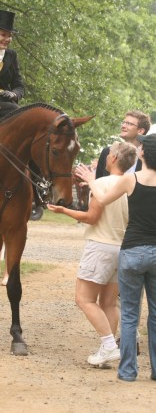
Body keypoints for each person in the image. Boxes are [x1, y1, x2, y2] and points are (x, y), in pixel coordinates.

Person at [48, 141, 137, 366]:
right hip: (122, 248)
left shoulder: (102, 184)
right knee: (108, 303)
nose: (106, 157)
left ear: (115, 158)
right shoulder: (132, 184)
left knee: (84, 299)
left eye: (108, 154)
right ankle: (106, 353)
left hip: (100, 245)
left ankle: (109, 345)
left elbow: (92, 218)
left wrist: (64, 210)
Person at [75, 134, 156, 381]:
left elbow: (103, 198)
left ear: (142, 154)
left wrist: (91, 179)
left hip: (131, 251)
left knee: (130, 315)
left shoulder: (130, 180)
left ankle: (128, 371)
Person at [96, 110, 150, 179]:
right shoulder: (107, 152)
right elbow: (99, 180)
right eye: (123, 122)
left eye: (129, 124)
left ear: (140, 131)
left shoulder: (149, 155)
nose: (123, 126)